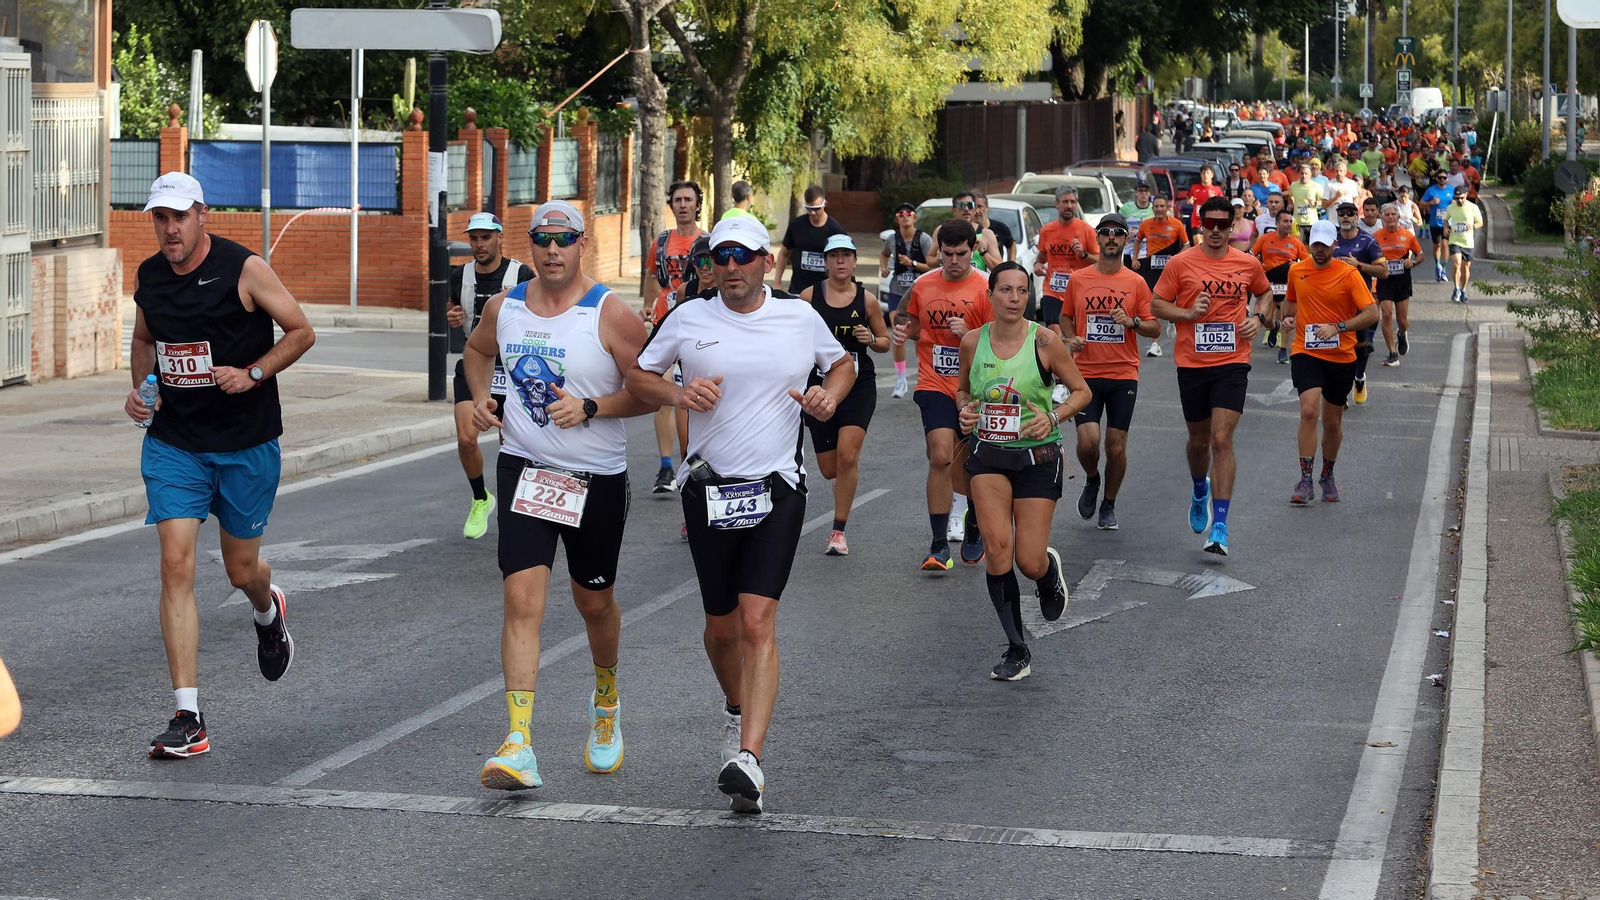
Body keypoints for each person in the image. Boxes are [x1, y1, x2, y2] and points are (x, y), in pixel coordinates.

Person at [627, 214, 855, 815]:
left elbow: (843, 363)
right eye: (720, 256)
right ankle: (735, 710)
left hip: (778, 485)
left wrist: (828, 394)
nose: (730, 266)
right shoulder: (689, 317)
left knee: (757, 622)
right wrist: (679, 394)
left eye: (743, 256)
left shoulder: (798, 317)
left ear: (766, 262)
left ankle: (749, 757)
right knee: (720, 627)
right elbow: (640, 373)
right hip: (708, 488)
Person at [466, 200, 658, 790]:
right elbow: (477, 352)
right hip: (526, 469)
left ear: (581, 246)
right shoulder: (506, 308)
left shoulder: (611, 314)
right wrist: (480, 398)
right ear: (530, 246)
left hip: (593, 478)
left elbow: (650, 391)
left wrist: (593, 406)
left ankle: (606, 698)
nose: (553, 250)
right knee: (522, 601)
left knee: (592, 602)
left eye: (564, 240)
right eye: (543, 240)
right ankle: (519, 740)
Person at [127, 172, 316, 758]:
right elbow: (144, 340)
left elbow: (302, 331)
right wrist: (141, 390)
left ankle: (268, 606)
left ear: (202, 215)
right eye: (161, 218)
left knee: (241, 571)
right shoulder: (151, 277)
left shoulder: (244, 268)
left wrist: (253, 372)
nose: (170, 229)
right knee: (175, 563)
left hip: (245, 443)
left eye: (180, 217)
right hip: (175, 442)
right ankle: (189, 715)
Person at [956, 262, 1091, 681]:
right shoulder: (972, 342)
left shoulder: (1046, 342)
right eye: (1006, 290)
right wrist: (964, 410)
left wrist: (1053, 418)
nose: (1014, 298)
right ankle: (1017, 648)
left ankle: (1047, 573)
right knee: (998, 549)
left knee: (1027, 560)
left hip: (1038, 461)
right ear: (991, 296)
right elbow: (962, 389)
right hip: (988, 457)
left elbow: (1082, 391)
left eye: (1021, 291)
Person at [1150, 196, 1270, 557]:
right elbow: (1157, 305)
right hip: (1192, 363)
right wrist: (1187, 313)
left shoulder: (1247, 264)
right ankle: (1199, 489)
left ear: (1233, 226)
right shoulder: (1180, 263)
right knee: (1199, 441)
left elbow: (1265, 295)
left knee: (1221, 439)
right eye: (1210, 224)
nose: (1216, 230)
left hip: (1233, 361)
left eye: (1223, 224)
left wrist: (1259, 319)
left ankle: (1220, 526)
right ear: (1200, 225)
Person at [893, 219, 995, 571]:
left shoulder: (985, 287)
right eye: (947, 254)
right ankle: (938, 546)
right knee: (940, 457)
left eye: (961, 254)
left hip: (977, 388)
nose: (953, 261)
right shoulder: (924, 284)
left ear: (973, 251)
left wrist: (971, 333)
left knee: (970, 464)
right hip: (934, 384)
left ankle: (974, 525)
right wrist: (907, 331)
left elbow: (1003, 340)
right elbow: (905, 315)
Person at [1060, 214, 1161, 531]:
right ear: (1098, 238)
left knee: (1115, 445)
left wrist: (1131, 322)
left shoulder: (1136, 282)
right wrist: (1071, 338)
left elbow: (1154, 326)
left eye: (1118, 233)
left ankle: (1109, 503)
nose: (1111, 237)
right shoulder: (1079, 279)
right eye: (1105, 233)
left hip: (1122, 373)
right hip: (1085, 373)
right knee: (1088, 441)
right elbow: (1065, 318)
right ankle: (1092, 479)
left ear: (1126, 240)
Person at [800, 234, 890, 556]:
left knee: (848, 456)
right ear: (825, 262)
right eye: (834, 256)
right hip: (819, 385)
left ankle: (838, 532)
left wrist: (869, 339)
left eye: (846, 256)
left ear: (854, 262)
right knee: (830, 469)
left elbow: (884, 341)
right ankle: (843, 481)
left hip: (858, 383)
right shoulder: (808, 297)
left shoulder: (866, 300)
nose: (840, 261)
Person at [447, 212, 534, 539]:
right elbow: (453, 307)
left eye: (485, 237)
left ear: (500, 238)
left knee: (510, 443)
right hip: (475, 363)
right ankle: (481, 498)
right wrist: (452, 315)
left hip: (511, 368)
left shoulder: (522, 273)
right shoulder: (460, 274)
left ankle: (517, 509)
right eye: (474, 238)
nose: (479, 244)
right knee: (466, 438)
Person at [1282, 220, 1381, 505]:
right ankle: (1305, 479)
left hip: (1340, 355)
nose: (1320, 251)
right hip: (1306, 351)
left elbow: (1371, 313)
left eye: (1326, 246)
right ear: (1310, 244)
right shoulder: (1296, 270)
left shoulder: (1349, 275)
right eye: (1316, 245)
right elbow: (1291, 303)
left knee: (1333, 422)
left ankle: (1327, 473)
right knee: (1308, 411)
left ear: (1335, 245)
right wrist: (1289, 319)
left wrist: (1339, 327)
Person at [645, 181, 708, 498]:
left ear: (698, 205)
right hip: (663, 323)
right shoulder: (661, 241)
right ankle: (666, 465)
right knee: (663, 392)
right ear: (670, 205)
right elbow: (650, 276)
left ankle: (697, 458)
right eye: (677, 200)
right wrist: (647, 304)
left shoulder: (708, 241)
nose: (682, 204)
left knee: (693, 398)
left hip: (697, 326)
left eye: (688, 199)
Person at [1330, 201, 1388, 405]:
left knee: (1360, 347)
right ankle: (1342, 391)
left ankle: (1360, 378)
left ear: (1357, 217)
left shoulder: (1367, 240)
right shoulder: (1331, 239)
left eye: (1350, 214)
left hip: (1359, 303)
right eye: (1342, 214)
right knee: (1337, 348)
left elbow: (1384, 271)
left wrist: (1359, 265)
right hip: (1334, 303)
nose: (1345, 217)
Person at [879, 203, 935, 398]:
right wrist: (884, 268)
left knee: (922, 336)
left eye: (908, 213)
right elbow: (884, 254)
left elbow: (933, 267)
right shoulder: (892, 239)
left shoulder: (925, 239)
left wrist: (912, 263)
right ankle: (901, 379)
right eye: (900, 213)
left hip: (919, 293)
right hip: (897, 292)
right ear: (897, 218)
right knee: (899, 332)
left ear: (914, 218)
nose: (904, 216)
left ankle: (925, 374)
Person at [1033, 185, 1100, 333]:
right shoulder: (1047, 230)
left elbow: (1099, 260)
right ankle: (1057, 356)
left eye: (1073, 202)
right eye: (1065, 202)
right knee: (1053, 329)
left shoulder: (1086, 230)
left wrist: (1083, 254)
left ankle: (1072, 357)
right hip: (1053, 290)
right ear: (1057, 204)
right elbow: (1043, 254)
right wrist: (1037, 264)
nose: (1069, 206)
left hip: (1079, 289)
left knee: (1076, 334)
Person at [1130, 195, 1187, 359]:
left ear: (1167, 208)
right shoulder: (1146, 224)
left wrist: (1176, 258)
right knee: (1153, 300)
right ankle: (1155, 344)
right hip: (1152, 266)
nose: (1159, 209)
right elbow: (1137, 240)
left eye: (1162, 206)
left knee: (1171, 299)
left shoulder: (1176, 224)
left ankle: (1171, 319)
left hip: (1171, 267)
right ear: (1152, 208)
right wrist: (1134, 258)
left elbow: (1186, 245)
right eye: (1156, 206)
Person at [1252, 209, 1310, 363]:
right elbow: (1251, 255)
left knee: (1287, 317)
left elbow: (1307, 264)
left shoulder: (1297, 243)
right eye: (1285, 221)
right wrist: (1256, 262)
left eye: (1290, 221)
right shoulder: (1265, 239)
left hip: (1288, 284)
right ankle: (1273, 328)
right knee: (1266, 319)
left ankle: (1283, 350)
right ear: (1276, 223)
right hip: (1269, 284)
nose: (1288, 224)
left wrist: (1296, 264)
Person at [772, 184, 846, 297]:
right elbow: (784, 253)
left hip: (826, 294)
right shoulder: (796, 225)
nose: (812, 213)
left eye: (816, 209)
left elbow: (844, 262)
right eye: (809, 208)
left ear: (825, 204)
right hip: (798, 291)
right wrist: (777, 282)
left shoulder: (836, 231)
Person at [1372, 202, 1422, 366]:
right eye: (1387, 215)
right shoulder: (1376, 236)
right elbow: (1369, 255)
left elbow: (1420, 254)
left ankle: (1401, 333)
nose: (1391, 217)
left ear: (1399, 217)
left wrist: (1412, 262)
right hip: (1384, 279)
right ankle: (1392, 353)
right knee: (1386, 314)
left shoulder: (1407, 235)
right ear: (1382, 217)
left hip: (1402, 280)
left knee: (1402, 319)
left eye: (1393, 214)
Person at [1444, 185, 1485, 303]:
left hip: (1467, 242)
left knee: (1465, 267)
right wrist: (1446, 228)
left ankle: (1463, 290)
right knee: (1457, 264)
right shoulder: (1451, 207)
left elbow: (1480, 222)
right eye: (1457, 198)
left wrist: (1472, 226)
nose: (1459, 200)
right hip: (1454, 240)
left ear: (1466, 195)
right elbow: (1446, 219)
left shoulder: (1473, 207)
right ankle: (1456, 288)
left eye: (1461, 198)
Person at [953, 191, 1003, 272]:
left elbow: (1000, 269)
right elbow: (930, 261)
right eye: (962, 206)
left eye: (970, 205)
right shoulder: (942, 231)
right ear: (954, 209)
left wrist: (983, 252)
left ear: (975, 209)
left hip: (978, 283)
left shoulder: (986, 234)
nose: (966, 209)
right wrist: (938, 258)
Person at [1420, 170, 1454, 282]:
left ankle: (1443, 269)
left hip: (1448, 223)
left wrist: (1456, 203)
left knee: (1445, 245)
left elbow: (1461, 203)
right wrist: (1431, 203)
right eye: (1440, 178)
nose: (1442, 179)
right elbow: (1421, 204)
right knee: (1437, 245)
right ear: (1436, 179)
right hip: (1435, 222)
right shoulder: (1431, 190)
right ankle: (1437, 265)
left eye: (1444, 177)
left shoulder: (1452, 190)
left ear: (1447, 179)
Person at [973, 190, 1015, 262]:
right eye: (974, 207)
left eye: (980, 206)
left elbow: (1011, 245)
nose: (977, 211)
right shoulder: (966, 230)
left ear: (987, 207)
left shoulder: (1000, 228)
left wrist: (1011, 263)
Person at [1290, 163, 1322, 240]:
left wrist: (1315, 203)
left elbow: (1324, 202)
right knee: (1298, 246)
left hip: (1311, 222)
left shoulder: (1316, 186)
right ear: (1298, 174)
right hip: (1297, 222)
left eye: (1306, 174)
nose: (1304, 176)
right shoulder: (1293, 185)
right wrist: (1291, 203)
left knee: (1311, 247)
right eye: (1302, 173)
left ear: (1310, 174)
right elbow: (1290, 196)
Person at [1187, 165, 1223, 230]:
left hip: (1211, 221)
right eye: (1203, 173)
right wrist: (1189, 200)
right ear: (1200, 175)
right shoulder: (1194, 187)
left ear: (1212, 175)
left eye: (1207, 173)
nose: (1205, 176)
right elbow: (1188, 198)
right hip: (1197, 221)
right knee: (1198, 240)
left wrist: (1214, 199)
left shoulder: (1217, 189)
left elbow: (1222, 205)